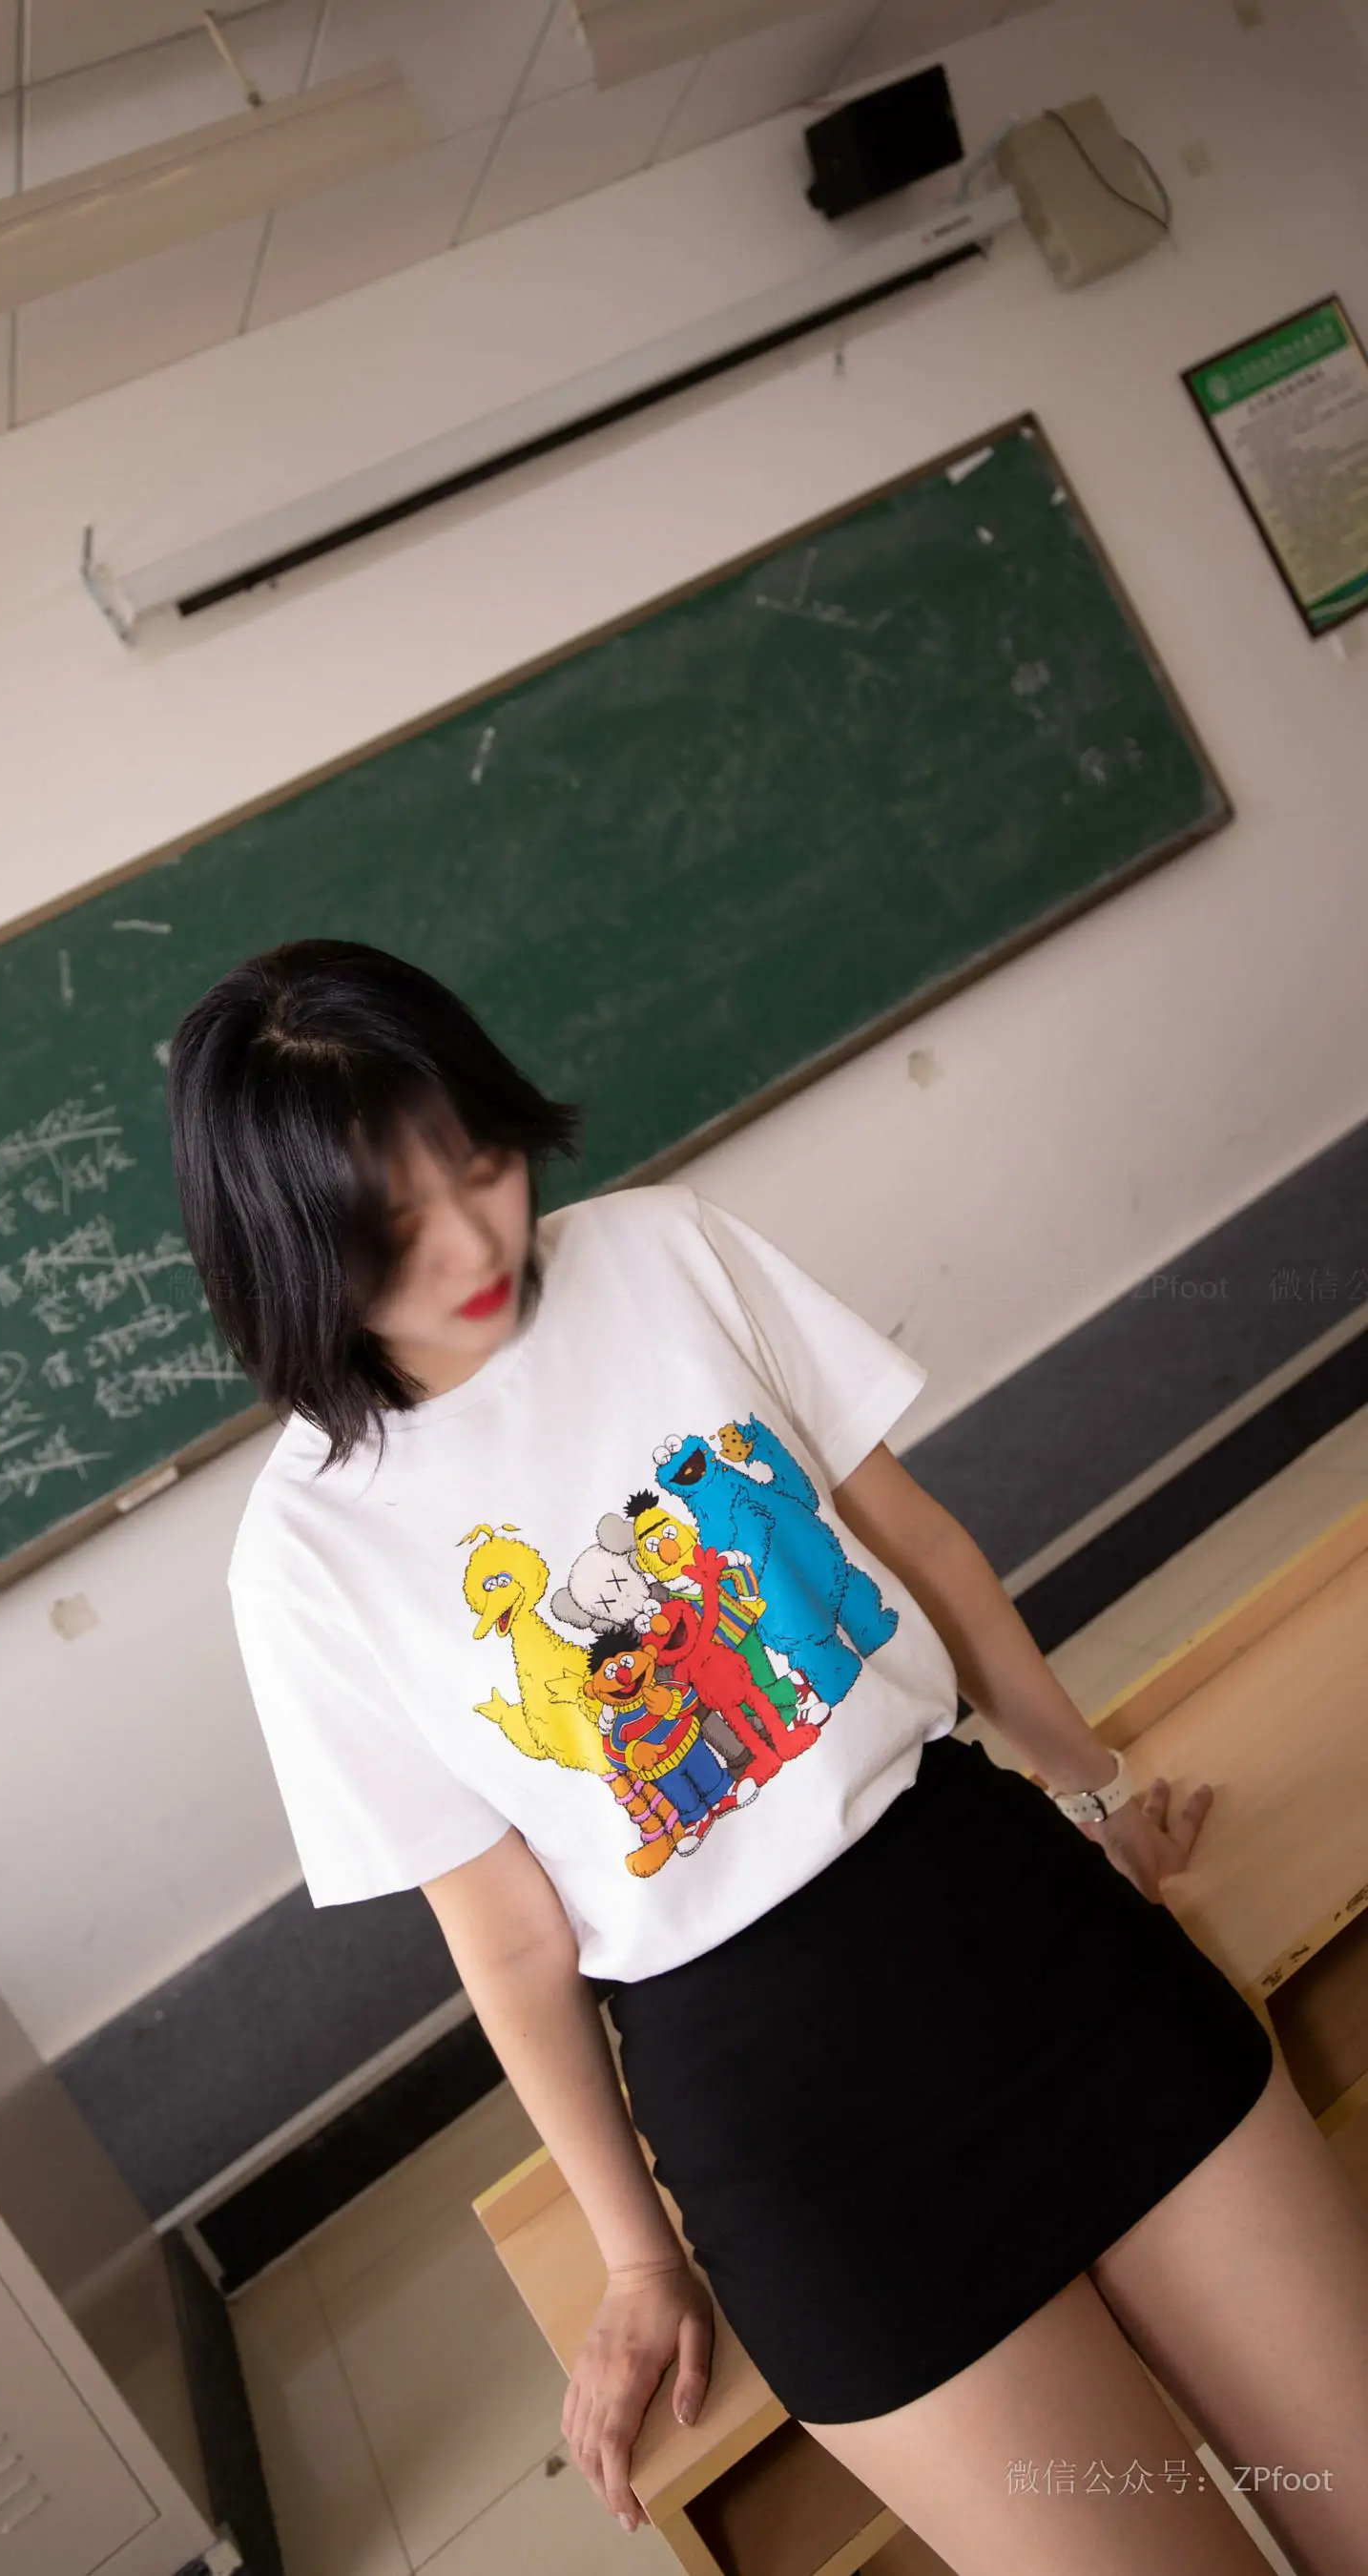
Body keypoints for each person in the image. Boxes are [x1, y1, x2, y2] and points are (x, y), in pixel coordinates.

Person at [167, 938, 1368, 2576]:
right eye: (393, 1224)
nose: (474, 1238)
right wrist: (637, 2257)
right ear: (289, 1255)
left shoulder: (662, 1252)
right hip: (801, 2140)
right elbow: (508, 1939)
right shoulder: (306, 1556)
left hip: (1022, 1926)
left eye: (477, 1160)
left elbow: (923, 1556)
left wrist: (1089, 1790)